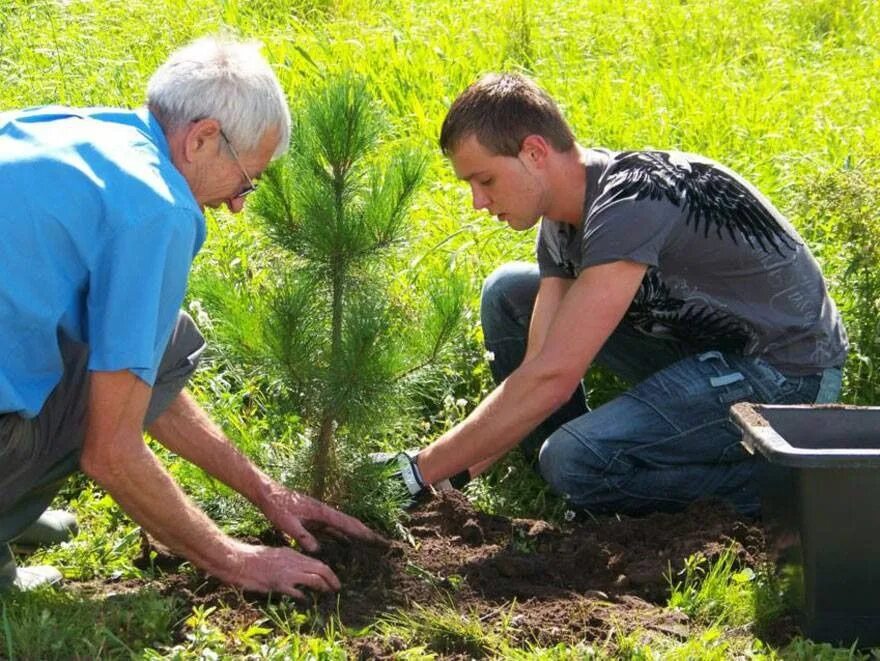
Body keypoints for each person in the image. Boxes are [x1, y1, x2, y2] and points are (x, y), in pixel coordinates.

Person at [0, 36, 382, 594]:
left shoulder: (72, 130)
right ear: (202, 138)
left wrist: (263, 490)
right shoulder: (159, 207)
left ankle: (15, 501)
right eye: (245, 180)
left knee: (165, 342)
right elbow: (110, 451)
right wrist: (237, 561)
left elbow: (140, 373)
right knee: (141, 369)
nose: (237, 203)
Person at [391, 73, 847, 516]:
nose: (477, 202)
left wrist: (414, 472)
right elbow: (536, 371)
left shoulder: (633, 199)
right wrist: (443, 479)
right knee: (509, 293)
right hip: (705, 358)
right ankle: (573, 472)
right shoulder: (560, 225)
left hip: (786, 376)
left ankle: (793, 488)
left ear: (534, 152)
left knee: (572, 459)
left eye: (485, 180)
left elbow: (554, 377)